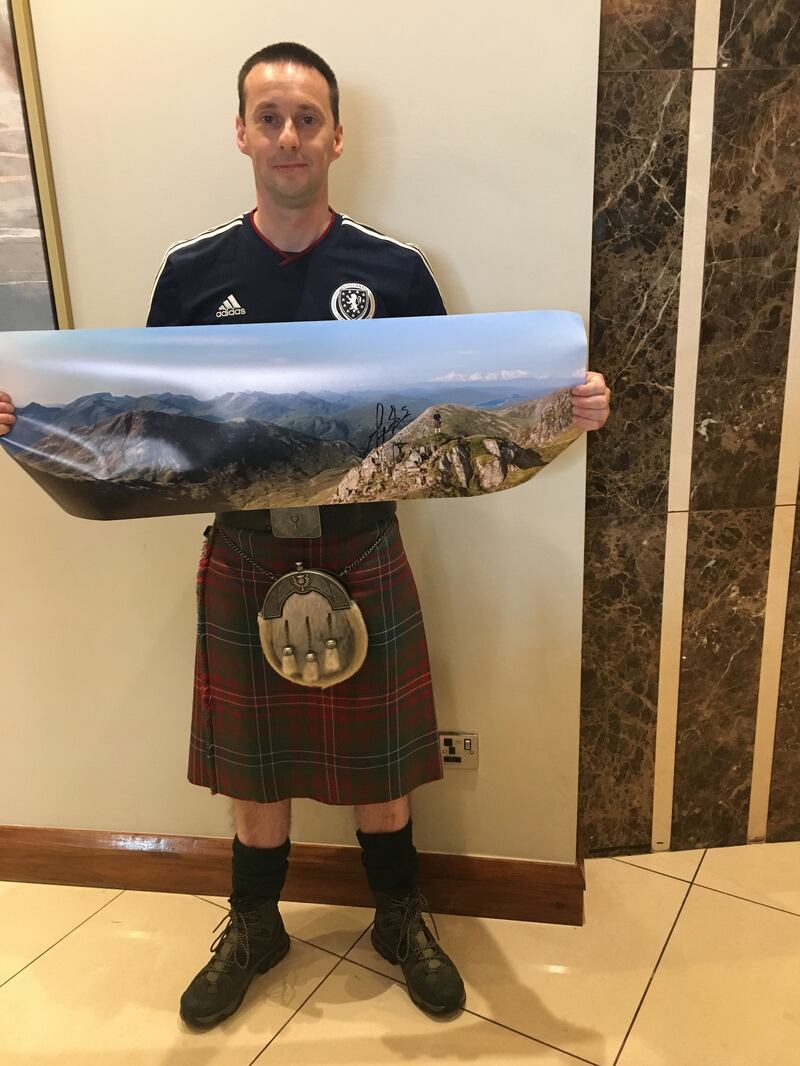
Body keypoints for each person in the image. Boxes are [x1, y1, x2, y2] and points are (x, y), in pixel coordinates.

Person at [0, 41, 611, 1030]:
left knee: (382, 763)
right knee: (254, 767)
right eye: (270, 117)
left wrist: (560, 402)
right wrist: (25, 418)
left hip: (362, 543)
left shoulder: (393, 270)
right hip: (246, 548)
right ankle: (254, 923)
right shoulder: (193, 275)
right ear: (241, 132)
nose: (289, 136)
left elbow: (461, 403)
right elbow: (143, 422)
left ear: (336, 134)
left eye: (307, 118)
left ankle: (398, 914)